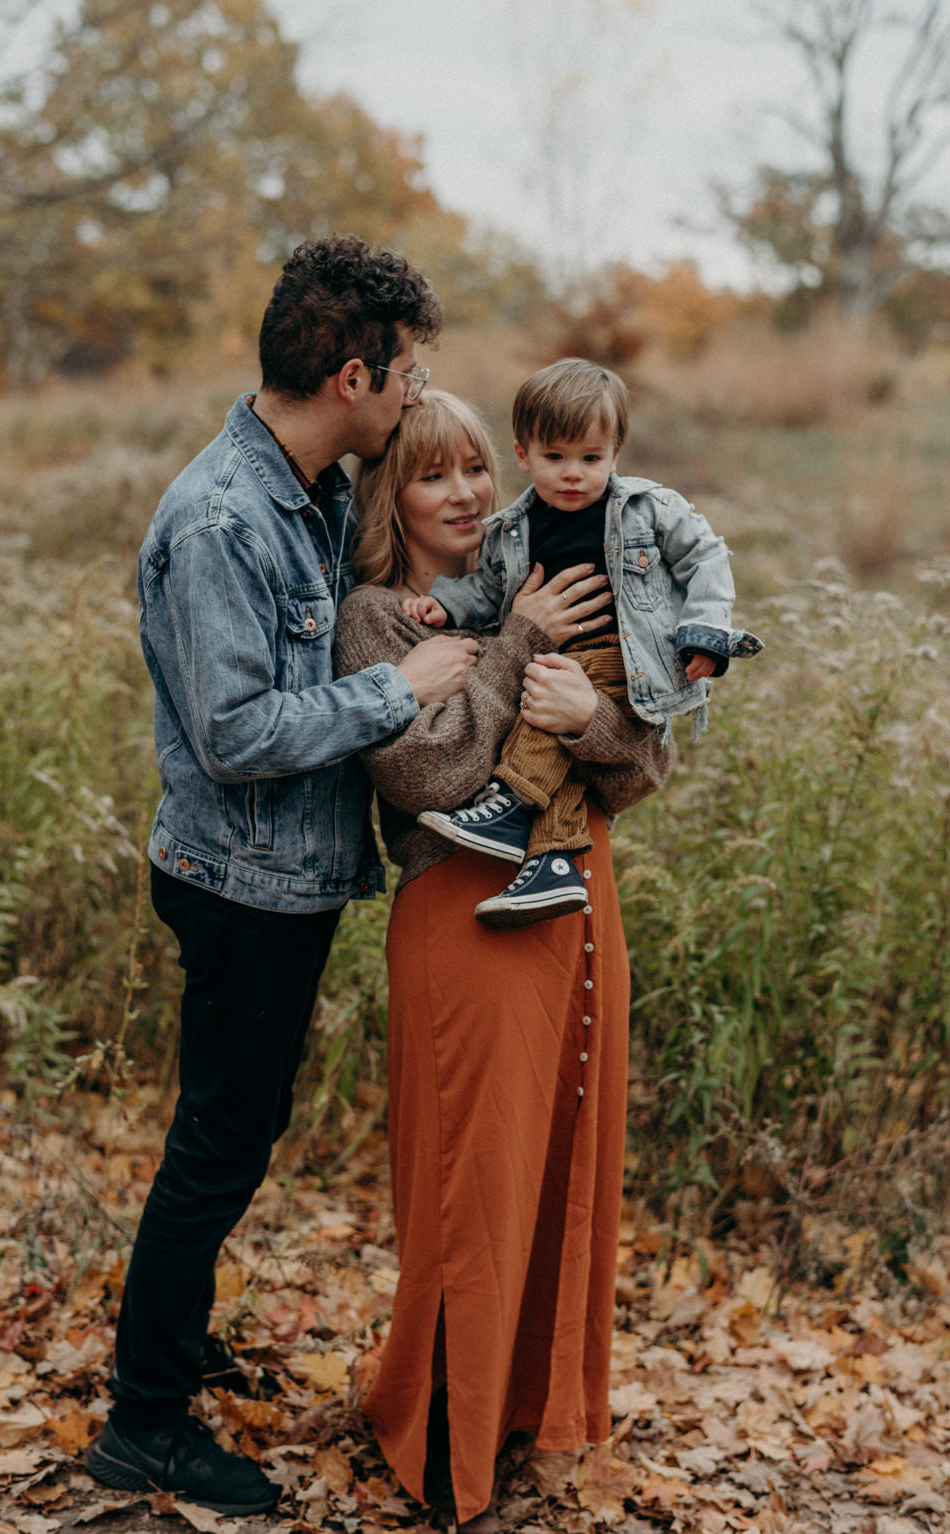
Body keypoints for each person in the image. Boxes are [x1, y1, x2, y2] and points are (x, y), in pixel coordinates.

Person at [83, 237, 484, 1517]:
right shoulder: (218, 518)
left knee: (235, 1135)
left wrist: (406, 627)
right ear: (354, 374)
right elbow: (236, 734)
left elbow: (304, 647)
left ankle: (168, 1338)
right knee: (215, 1147)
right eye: (408, 377)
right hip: (240, 882)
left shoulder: (309, 487)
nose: (416, 400)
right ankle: (142, 1422)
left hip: (288, 879)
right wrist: (397, 689)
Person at [333, 390, 674, 1533]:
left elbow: (639, 765)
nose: (470, 492)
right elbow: (423, 778)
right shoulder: (376, 617)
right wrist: (518, 643)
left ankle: (521, 1406)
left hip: (577, 893)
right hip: (461, 910)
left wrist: (591, 716)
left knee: (562, 1160)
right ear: (393, 492)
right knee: (473, 1181)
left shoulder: (564, 564)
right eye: (434, 475)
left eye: (477, 468)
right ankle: (441, 1439)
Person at [403, 359, 762, 929]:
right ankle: (554, 866)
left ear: (615, 454)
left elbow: (707, 556)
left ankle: (513, 803)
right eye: (555, 458)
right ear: (523, 455)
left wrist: (706, 632)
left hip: (628, 658)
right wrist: (447, 605)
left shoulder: (646, 509)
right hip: (564, 659)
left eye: (591, 459)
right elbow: (490, 586)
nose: (574, 474)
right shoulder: (513, 528)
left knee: (542, 691)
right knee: (555, 715)